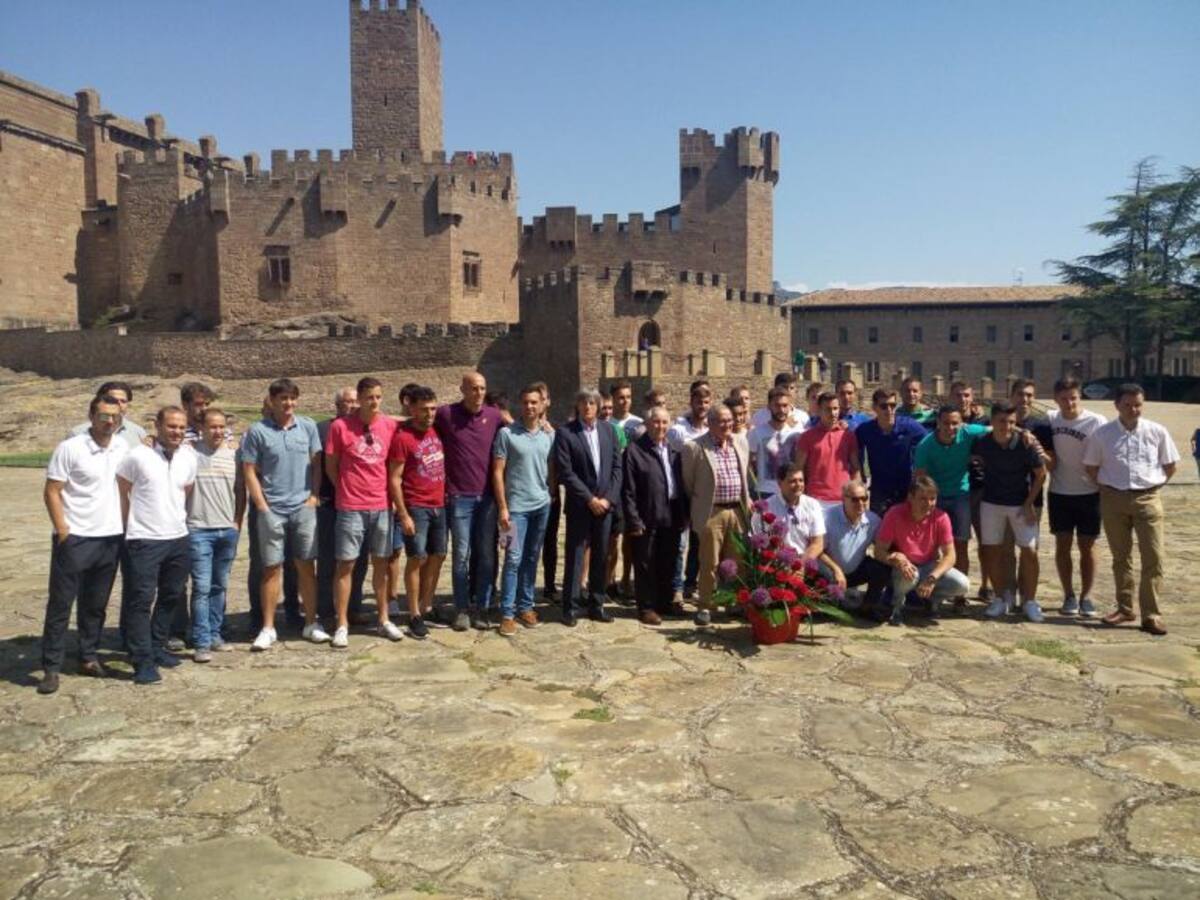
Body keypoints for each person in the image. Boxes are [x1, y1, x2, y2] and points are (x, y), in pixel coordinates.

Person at [38, 394, 128, 694]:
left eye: (115, 417)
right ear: (91, 416)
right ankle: (51, 667)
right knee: (61, 604)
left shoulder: (122, 447)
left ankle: (88, 656)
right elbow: (52, 491)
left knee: (96, 605)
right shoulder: (71, 448)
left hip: (110, 537)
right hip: (76, 537)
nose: (110, 421)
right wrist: (63, 530)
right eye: (104, 416)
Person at [1083, 383, 1179, 635]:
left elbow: (1170, 465)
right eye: (1127, 405)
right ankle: (1125, 608)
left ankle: (1151, 614)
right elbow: (1091, 467)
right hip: (1113, 499)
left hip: (1148, 498)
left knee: (1154, 557)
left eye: (1137, 405)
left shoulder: (1156, 431)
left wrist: (1152, 487)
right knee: (1121, 557)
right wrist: (1107, 490)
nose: (1133, 410)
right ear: (1117, 405)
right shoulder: (1102, 434)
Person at [240, 378, 326, 651]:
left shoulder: (308, 426)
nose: (288, 403)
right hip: (272, 509)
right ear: (273, 401)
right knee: (271, 568)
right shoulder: (258, 431)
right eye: (283, 399)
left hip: (302, 507)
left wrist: (313, 496)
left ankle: (311, 622)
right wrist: (262, 506)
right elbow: (249, 470)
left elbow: (317, 464)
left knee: (306, 566)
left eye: (292, 398)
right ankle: (268, 627)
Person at [116, 406, 197, 684]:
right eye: (171, 426)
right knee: (141, 601)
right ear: (158, 426)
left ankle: (156, 644)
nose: (176, 432)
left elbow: (185, 490)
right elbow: (122, 489)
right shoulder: (138, 456)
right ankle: (142, 660)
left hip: (177, 536)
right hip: (145, 539)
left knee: (171, 595)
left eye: (181, 427)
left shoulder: (188, 457)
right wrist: (128, 525)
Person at [325, 377, 400, 646]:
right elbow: (331, 465)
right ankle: (342, 623)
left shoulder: (389, 425)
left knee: (381, 563)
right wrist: (345, 489)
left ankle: (384, 618)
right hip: (351, 506)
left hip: (381, 505)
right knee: (346, 564)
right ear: (359, 398)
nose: (375, 402)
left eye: (378, 397)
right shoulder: (340, 427)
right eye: (370, 397)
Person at [436, 372, 504, 631]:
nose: (478, 393)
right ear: (462, 389)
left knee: (486, 556)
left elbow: (517, 426)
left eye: (482, 388)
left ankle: (482, 608)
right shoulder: (447, 414)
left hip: (487, 498)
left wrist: (545, 426)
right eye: (474, 388)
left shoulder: (493, 415)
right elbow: (419, 420)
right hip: (459, 498)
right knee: (461, 556)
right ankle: (462, 608)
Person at [554, 389, 623, 626]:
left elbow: (617, 468)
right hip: (580, 505)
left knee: (601, 555)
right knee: (575, 555)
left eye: (592, 403)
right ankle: (570, 607)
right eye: (583, 402)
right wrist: (589, 499)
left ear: (599, 406)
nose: (588, 407)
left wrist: (608, 499)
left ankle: (597, 604)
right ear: (578, 406)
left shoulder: (609, 431)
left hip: (604, 506)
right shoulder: (566, 433)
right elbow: (566, 472)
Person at [974, 401, 1047, 622]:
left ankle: (1030, 601)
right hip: (991, 503)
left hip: (1019, 504)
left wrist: (1029, 503)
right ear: (992, 421)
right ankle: (1000, 598)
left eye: (1011, 422)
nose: (1006, 426)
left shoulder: (1025, 443)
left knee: (1029, 551)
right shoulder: (982, 442)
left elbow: (1041, 473)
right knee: (992, 550)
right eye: (1002, 421)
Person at [682, 402, 751, 627]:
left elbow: (744, 476)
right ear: (710, 423)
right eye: (721, 421)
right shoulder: (694, 447)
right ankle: (706, 605)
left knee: (737, 561)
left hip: (737, 511)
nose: (727, 425)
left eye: (729, 420)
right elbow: (689, 483)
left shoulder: (740, 442)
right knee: (709, 561)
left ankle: (734, 602)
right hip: (712, 512)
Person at [493, 384, 554, 636]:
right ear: (520, 404)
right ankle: (507, 613)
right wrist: (502, 508)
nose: (529, 406)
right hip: (514, 510)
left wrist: (550, 495)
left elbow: (551, 467)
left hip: (541, 506)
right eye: (526, 402)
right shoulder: (507, 434)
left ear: (541, 405)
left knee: (531, 557)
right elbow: (497, 472)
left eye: (534, 402)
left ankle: (525, 606)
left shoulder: (548, 435)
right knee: (512, 559)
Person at [389, 386, 447, 640]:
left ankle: (426, 605)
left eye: (433, 409)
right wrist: (403, 514)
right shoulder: (403, 438)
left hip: (439, 504)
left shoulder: (437, 430)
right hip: (416, 506)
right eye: (424, 409)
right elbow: (394, 478)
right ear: (412, 409)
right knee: (416, 558)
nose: (430, 414)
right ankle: (413, 613)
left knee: (438, 555)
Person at [187, 408, 245, 663]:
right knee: (201, 587)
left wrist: (238, 520)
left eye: (222, 427)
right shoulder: (190, 453)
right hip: (199, 529)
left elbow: (240, 490)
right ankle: (201, 641)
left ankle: (215, 634)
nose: (218, 431)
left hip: (227, 529)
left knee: (219, 586)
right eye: (213, 426)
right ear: (201, 428)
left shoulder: (234, 455)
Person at [622, 406, 688, 625]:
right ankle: (646, 607)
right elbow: (628, 490)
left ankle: (664, 602)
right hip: (646, 515)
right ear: (648, 424)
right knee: (645, 563)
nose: (661, 426)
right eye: (656, 422)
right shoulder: (634, 451)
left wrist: (683, 515)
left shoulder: (673, 450)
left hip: (671, 513)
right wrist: (633, 519)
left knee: (667, 560)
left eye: (664, 422)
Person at [874, 475, 969, 626]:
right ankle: (896, 606)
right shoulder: (894, 514)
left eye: (932, 499)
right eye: (923, 499)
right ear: (910, 498)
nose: (929, 504)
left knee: (962, 584)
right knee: (909, 574)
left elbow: (950, 555)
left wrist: (933, 578)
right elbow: (879, 551)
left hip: (928, 566)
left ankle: (930, 600)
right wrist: (894, 558)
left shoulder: (941, 517)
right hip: (904, 566)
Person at [1047, 377, 1107, 617]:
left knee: (1088, 546)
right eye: (1064, 398)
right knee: (1062, 545)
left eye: (1073, 398)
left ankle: (1087, 596)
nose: (1069, 403)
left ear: (1079, 396)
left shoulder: (1096, 421)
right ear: (1056, 399)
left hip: (1089, 492)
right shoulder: (1051, 419)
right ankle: (1069, 595)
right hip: (1060, 492)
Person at [914, 406, 990, 589]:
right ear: (938, 423)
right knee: (930, 545)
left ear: (962, 423)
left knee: (960, 544)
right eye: (946, 423)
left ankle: (959, 594)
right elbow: (920, 479)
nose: (950, 428)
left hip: (960, 495)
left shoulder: (968, 432)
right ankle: (929, 588)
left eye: (955, 423)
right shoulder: (926, 446)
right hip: (935, 497)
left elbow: (996, 427)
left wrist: (1024, 432)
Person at [317, 388, 369, 626]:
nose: (352, 405)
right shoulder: (322, 429)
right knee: (328, 560)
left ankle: (353, 608)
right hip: (329, 502)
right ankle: (327, 612)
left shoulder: (364, 428)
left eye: (355, 401)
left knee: (358, 560)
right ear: (337, 405)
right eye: (347, 401)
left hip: (359, 503)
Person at [819, 481, 890, 620]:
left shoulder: (873, 520)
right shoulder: (826, 517)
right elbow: (817, 550)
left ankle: (868, 607)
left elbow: (882, 547)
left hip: (854, 573)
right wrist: (836, 570)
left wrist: (896, 555)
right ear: (843, 499)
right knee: (824, 613)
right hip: (827, 574)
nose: (861, 503)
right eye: (855, 499)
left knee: (881, 568)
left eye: (864, 498)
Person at [668, 381, 712, 601]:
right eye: (698, 402)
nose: (702, 406)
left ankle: (690, 584)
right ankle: (676, 587)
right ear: (691, 402)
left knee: (698, 543)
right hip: (683, 494)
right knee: (680, 544)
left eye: (706, 402)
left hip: (702, 494)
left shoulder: (712, 430)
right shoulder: (678, 431)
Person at [855, 388, 926, 516]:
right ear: (874, 408)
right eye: (884, 406)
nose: (889, 410)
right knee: (879, 525)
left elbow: (929, 443)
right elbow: (855, 452)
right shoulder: (865, 430)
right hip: (880, 490)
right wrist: (861, 477)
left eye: (892, 405)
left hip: (906, 489)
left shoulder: (909, 426)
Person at [952, 381, 993, 600]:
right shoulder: (944, 420)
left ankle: (986, 585)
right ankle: (959, 590)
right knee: (959, 543)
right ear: (951, 397)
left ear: (972, 397)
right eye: (958, 395)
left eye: (966, 395)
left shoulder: (983, 421)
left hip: (980, 486)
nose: (963, 399)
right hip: (955, 488)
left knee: (985, 540)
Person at [793, 391, 860, 510]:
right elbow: (799, 468)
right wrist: (800, 496)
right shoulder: (807, 437)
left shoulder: (848, 436)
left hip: (843, 498)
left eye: (835, 408)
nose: (833, 413)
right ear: (819, 410)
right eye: (828, 409)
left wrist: (857, 494)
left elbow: (855, 468)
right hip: (815, 499)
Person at [753, 462, 825, 560]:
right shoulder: (766, 508)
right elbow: (759, 542)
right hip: (775, 562)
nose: (798, 485)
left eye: (801, 480)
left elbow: (817, 543)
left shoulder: (813, 505)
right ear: (780, 484)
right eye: (793, 481)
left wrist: (800, 564)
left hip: (805, 560)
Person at [747, 386, 802, 499]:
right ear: (769, 406)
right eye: (777, 405)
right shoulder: (756, 433)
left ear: (790, 406)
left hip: (791, 491)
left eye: (785, 405)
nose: (781, 410)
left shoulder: (798, 434)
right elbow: (747, 464)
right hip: (764, 491)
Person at [68, 380, 147, 448]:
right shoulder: (78, 433)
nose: (119, 404)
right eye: (113, 400)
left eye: (123, 401)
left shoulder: (138, 433)